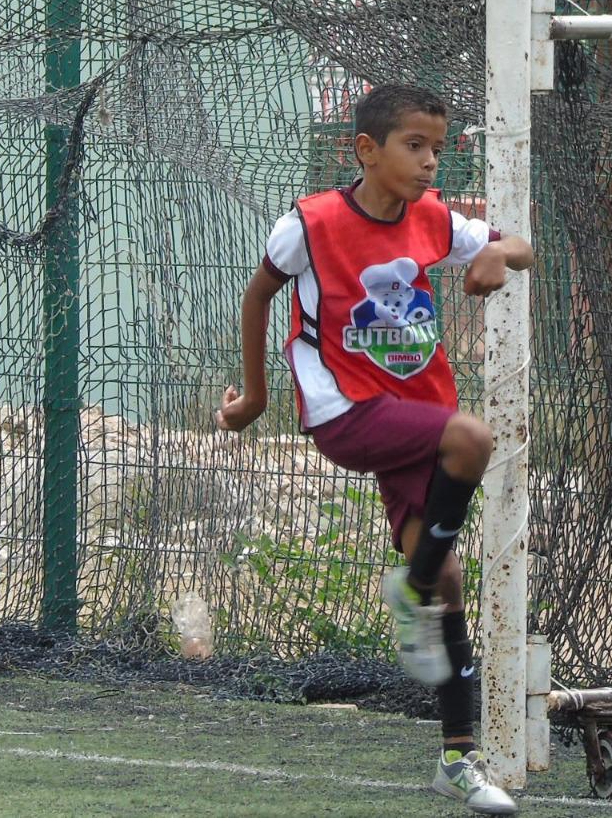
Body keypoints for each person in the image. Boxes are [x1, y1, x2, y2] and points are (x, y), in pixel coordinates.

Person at [215, 84, 532, 816]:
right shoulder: (312, 223)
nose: (428, 163)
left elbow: (519, 244)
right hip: (345, 411)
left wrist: (499, 257)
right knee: (474, 438)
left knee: (449, 575)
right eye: (413, 146)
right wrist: (258, 398)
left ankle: (457, 759)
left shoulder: (432, 220)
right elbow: (259, 294)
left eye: (437, 148)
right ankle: (411, 588)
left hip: (416, 413)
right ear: (367, 150)